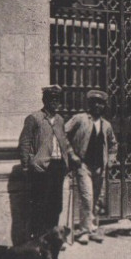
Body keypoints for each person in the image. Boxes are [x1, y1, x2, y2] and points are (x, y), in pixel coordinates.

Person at [19, 85, 80, 238]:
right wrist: (27, 165)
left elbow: (64, 141)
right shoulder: (34, 118)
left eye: (57, 99)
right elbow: (25, 142)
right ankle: (39, 238)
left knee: (56, 205)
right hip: (41, 168)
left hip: (58, 166)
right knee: (40, 204)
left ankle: (52, 237)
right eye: (51, 99)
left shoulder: (60, 120)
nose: (55, 102)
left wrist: (72, 157)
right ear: (44, 100)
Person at [65, 89, 118, 244]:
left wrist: (111, 160)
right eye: (94, 102)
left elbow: (113, 144)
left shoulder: (106, 125)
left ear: (104, 106)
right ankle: (83, 231)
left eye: (100, 103)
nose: (97, 106)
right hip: (83, 165)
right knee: (87, 198)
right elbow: (63, 134)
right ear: (89, 104)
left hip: (99, 167)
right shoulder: (80, 119)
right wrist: (72, 155)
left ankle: (93, 228)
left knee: (96, 199)